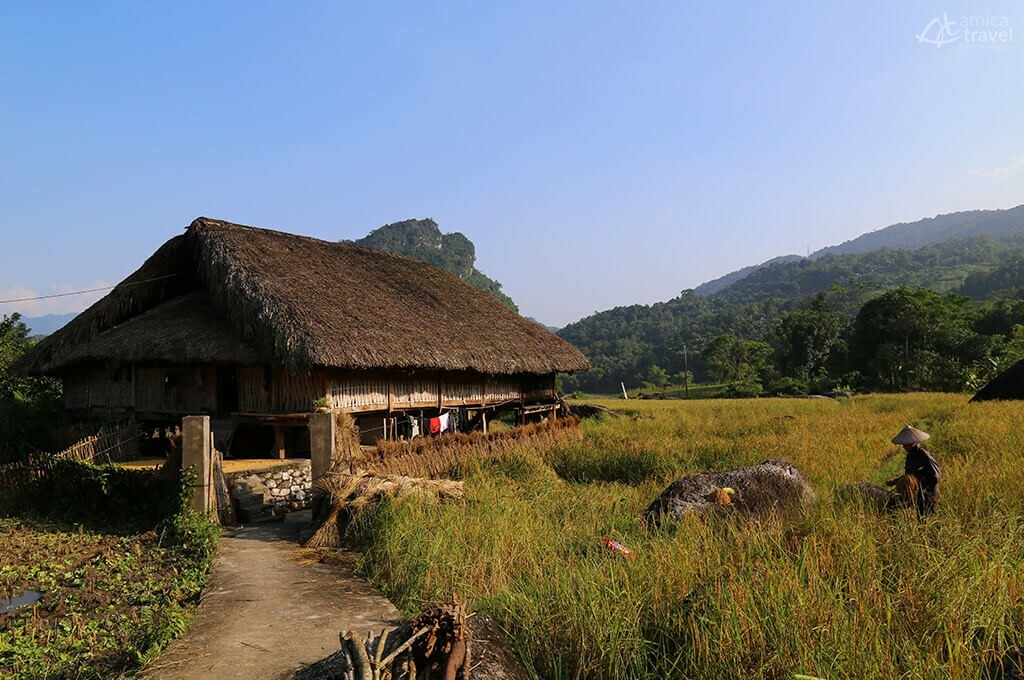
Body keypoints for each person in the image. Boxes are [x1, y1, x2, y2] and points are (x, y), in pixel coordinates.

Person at [885, 425, 941, 518]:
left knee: (924, 520)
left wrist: (916, 482)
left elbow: (935, 476)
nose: (903, 446)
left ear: (912, 443)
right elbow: (909, 475)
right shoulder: (910, 455)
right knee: (891, 506)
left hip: (927, 494)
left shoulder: (923, 454)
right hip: (914, 493)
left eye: (905, 444)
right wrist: (896, 481)